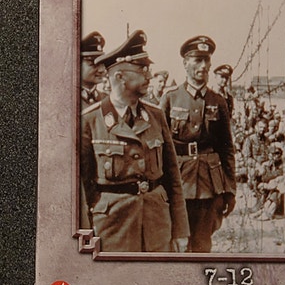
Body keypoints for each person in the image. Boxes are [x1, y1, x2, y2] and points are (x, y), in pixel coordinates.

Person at [80, 30, 189, 252]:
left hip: (157, 228)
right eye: (142, 70)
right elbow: (81, 186)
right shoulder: (90, 120)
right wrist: (84, 234)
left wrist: (180, 230)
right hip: (112, 230)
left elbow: (173, 178)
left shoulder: (156, 116)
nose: (149, 76)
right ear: (120, 77)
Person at [159, 35, 236, 252]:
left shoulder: (218, 101)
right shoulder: (170, 98)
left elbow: (226, 148)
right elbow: (160, 147)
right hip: (178, 181)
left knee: (202, 243)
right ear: (185, 63)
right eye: (197, 60)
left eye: (206, 60)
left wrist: (230, 189)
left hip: (208, 185)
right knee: (177, 242)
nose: (203, 66)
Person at [81, 31, 107, 109]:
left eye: (102, 63)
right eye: (93, 63)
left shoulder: (106, 100)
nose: (101, 70)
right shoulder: (67, 99)